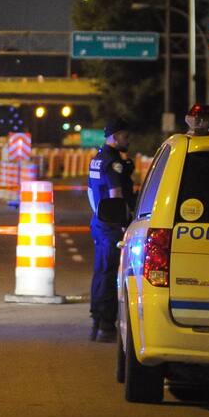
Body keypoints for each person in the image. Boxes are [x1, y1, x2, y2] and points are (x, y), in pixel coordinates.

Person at [87, 118, 133, 342]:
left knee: (101, 272)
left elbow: (91, 191)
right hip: (112, 224)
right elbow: (116, 196)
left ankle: (97, 320)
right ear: (114, 137)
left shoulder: (97, 159)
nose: (128, 140)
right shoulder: (113, 163)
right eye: (125, 136)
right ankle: (106, 324)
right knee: (110, 274)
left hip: (99, 221)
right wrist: (125, 222)